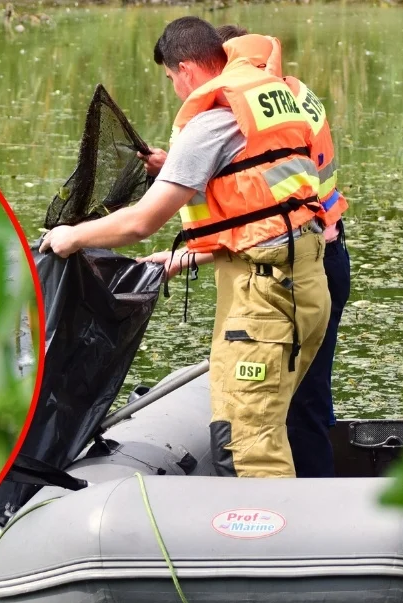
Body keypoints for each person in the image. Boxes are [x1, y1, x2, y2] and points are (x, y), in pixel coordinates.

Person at [39, 16, 330, 479]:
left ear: (188, 69)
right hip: (307, 284)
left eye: (172, 77)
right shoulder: (269, 103)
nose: (175, 87)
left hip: (263, 299)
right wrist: (184, 254)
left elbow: (142, 221)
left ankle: (270, 547)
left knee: (248, 443)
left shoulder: (211, 121)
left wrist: (69, 237)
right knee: (271, 425)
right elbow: (263, 212)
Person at [213, 24, 352, 478]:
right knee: (308, 396)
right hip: (327, 253)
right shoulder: (292, 94)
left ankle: (309, 521)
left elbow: (261, 194)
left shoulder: (254, 108)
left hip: (302, 263)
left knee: (297, 405)